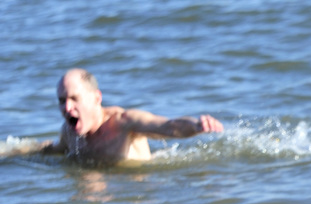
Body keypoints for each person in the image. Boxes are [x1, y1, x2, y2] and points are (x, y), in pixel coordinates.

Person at [14, 68, 224, 165]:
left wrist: (197, 125)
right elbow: (52, 149)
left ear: (96, 98)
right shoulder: (70, 133)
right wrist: (10, 152)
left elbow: (168, 126)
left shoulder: (124, 122)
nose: (67, 107)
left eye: (74, 99)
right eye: (61, 100)